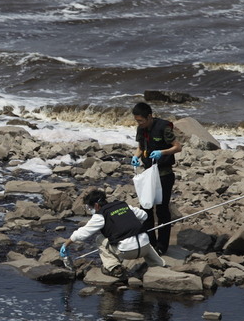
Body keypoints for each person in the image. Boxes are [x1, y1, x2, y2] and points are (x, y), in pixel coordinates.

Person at [59, 189, 165, 278]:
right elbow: (144, 215)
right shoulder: (123, 205)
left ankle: (114, 268)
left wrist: (66, 244)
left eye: (89, 207)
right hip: (145, 248)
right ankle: (158, 263)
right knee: (141, 236)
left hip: (128, 252)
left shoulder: (100, 215)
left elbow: (82, 233)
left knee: (99, 239)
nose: (89, 210)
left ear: (96, 205)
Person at [131, 102, 182, 255]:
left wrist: (162, 152)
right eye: (137, 121)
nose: (140, 124)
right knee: (145, 209)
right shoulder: (141, 129)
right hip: (149, 174)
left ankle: (162, 246)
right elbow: (141, 147)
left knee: (162, 210)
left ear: (150, 116)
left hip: (164, 175)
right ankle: (150, 242)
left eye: (141, 120)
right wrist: (135, 156)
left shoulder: (163, 128)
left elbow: (178, 147)